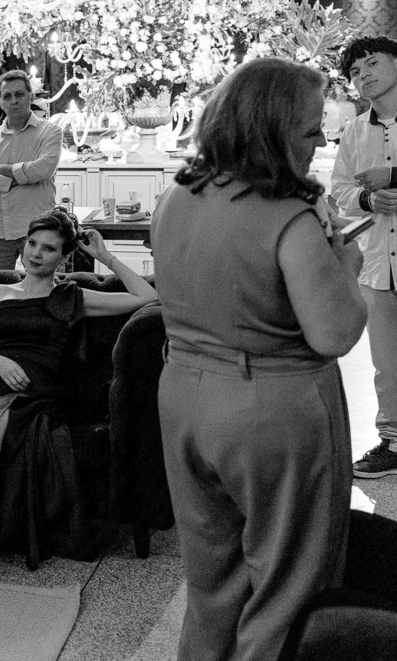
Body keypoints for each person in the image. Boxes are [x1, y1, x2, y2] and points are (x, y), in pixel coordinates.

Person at [152, 58, 367, 661]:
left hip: (184, 397)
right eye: (310, 130)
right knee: (286, 589)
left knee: (212, 586)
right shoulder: (287, 215)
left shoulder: (178, 195)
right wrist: (345, 266)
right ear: (270, 128)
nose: (320, 141)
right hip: (270, 411)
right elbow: (334, 333)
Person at [0, 208, 155, 580]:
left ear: (64, 257)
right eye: (32, 243)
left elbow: (147, 297)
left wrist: (105, 257)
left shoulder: (72, 297)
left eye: (49, 248)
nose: (36, 253)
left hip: (31, 390)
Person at [331, 35, 397, 478]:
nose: (364, 75)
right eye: (355, 72)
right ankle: (392, 443)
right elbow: (340, 192)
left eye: (372, 63)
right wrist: (368, 200)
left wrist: (391, 175)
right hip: (378, 263)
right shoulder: (354, 131)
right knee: (387, 365)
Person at [0, 70, 63, 270]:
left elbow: (44, 169)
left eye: (19, 94)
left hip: (38, 227)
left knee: (41, 284)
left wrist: (6, 169)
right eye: (7, 96)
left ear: (30, 96)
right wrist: (20, 178)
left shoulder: (50, 132)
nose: (13, 101)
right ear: (0, 102)